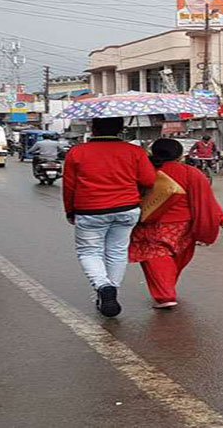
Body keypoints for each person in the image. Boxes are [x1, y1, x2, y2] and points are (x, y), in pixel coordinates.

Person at [63, 117, 156, 318]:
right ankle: (111, 290)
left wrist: (70, 211)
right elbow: (149, 180)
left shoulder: (77, 152)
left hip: (90, 210)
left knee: (89, 252)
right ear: (121, 129)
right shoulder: (134, 151)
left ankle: (103, 286)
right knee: (117, 252)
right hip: (127, 209)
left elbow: (69, 186)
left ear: (93, 128)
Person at [130, 139, 223, 309]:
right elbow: (206, 200)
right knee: (177, 256)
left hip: (151, 222)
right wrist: (221, 218)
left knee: (156, 255)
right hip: (184, 225)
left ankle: (165, 294)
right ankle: (167, 288)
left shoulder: (145, 171)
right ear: (179, 155)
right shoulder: (191, 172)